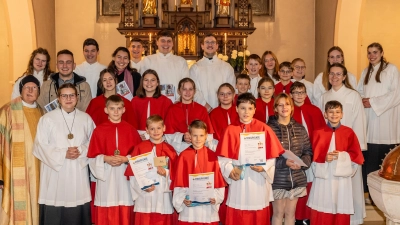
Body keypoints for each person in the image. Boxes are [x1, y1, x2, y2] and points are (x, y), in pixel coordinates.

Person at [216, 93, 284, 225]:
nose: (246, 112)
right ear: (236, 109)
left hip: (257, 178)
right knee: (238, 214)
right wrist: (230, 170)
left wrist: (263, 167)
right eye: (242, 108)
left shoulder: (264, 128)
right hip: (239, 179)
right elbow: (223, 157)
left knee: (257, 214)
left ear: (254, 109)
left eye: (249, 108)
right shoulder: (230, 130)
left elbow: (272, 157)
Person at [33, 83, 94, 225]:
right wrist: (62, 154)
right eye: (64, 95)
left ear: (77, 98)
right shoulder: (47, 119)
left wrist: (81, 150)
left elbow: (93, 143)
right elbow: (39, 145)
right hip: (55, 174)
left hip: (77, 172)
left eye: (71, 95)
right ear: (58, 98)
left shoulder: (86, 118)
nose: (68, 99)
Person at [320, 63, 367, 225]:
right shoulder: (324, 96)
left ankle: (352, 219)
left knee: (350, 185)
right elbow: (322, 124)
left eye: (338, 74)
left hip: (348, 148)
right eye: (332, 74)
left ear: (344, 77)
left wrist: (357, 150)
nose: (334, 77)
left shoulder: (353, 95)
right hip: (330, 148)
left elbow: (359, 121)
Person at [307, 101, 364, 225]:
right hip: (324, 178)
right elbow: (311, 157)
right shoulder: (318, 132)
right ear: (325, 114)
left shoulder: (349, 132)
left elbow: (356, 157)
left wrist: (342, 156)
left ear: (342, 114)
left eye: (337, 112)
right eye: (331, 112)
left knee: (340, 205)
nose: (334, 114)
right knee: (323, 205)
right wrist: (323, 158)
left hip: (341, 179)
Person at [87, 95, 141, 225]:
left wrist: (126, 158)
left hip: (124, 177)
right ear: (106, 110)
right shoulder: (99, 130)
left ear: (124, 110)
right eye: (112, 108)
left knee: (125, 207)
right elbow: (91, 158)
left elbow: (139, 157)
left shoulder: (131, 130)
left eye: (119, 108)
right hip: (107, 176)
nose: (116, 112)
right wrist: (105, 158)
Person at [357, 43, 400, 204]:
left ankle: (382, 198)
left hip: (385, 124)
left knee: (383, 164)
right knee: (369, 161)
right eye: (369, 53)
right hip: (369, 123)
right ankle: (370, 195)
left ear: (382, 53)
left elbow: (396, 94)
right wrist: (362, 100)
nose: (371, 55)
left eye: (375, 52)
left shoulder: (392, 69)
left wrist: (373, 102)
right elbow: (359, 90)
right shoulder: (366, 71)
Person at [0, 76, 43, 224]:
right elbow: (0, 143)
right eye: (27, 87)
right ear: (21, 90)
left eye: (34, 88)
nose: (30, 91)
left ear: (39, 91)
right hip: (15, 170)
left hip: (38, 169)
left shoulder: (42, 113)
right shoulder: (8, 110)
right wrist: (0, 174)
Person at [267, 93, 312, 225]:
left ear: (292, 108)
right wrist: (284, 162)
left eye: (287, 104)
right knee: (278, 213)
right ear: (275, 109)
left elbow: (307, 151)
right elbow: (266, 155)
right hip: (278, 178)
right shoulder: (269, 128)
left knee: (291, 214)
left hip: (296, 178)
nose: (284, 107)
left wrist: (302, 164)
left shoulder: (300, 128)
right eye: (280, 105)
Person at [125, 115, 178, 225]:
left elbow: (177, 174)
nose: (155, 131)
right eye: (152, 128)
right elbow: (132, 173)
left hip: (162, 196)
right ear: (146, 130)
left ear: (164, 128)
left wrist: (166, 173)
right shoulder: (140, 148)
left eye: (158, 128)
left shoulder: (170, 149)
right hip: (145, 195)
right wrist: (142, 187)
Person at [173, 120, 226, 225]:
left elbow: (218, 184)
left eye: (201, 135)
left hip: (207, 210)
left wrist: (215, 198)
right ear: (190, 135)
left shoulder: (212, 156)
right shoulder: (183, 156)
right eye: (195, 135)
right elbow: (178, 183)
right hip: (190, 210)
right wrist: (183, 199)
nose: (198, 139)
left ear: (206, 136)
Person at [289, 82, 325, 225]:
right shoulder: (288, 111)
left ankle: (308, 216)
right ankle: (297, 217)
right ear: (291, 95)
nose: (299, 95)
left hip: (312, 154)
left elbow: (321, 133)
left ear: (306, 94)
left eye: (302, 92)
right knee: (297, 186)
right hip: (294, 154)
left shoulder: (315, 110)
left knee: (310, 186)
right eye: (296, 92)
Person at [164, 78, 215, 154]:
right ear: (179, 91)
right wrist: (182, 137)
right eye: (184, 89)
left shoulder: (201, 109)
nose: (187, 92)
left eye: (190, 89)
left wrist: (197, 138)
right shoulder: (172, 109)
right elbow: (168, 135)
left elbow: (209, 135)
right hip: (178, 151)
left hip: (198, 150)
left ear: (194, 91)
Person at [140, 30, 189, 102]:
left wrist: (179, 101)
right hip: (154, 102)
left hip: (176, 102)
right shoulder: (148, 60)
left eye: (169, 41)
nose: (166, 44)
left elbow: (185, 84)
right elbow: (143, 83)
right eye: (162, 41)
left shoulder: (181, 61)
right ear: (157, 42)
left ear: (173, 43)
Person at [190, 33, 235, 111]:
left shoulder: (227, 67)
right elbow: (194, 90)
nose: (210, 44)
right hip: (202, 110)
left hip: (223, 110)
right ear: (202, 46)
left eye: (213, 42)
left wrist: (221, 108)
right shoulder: (195, 68)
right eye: (207, 42)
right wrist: (207, 107)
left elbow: (231, 89)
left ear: (217, 46)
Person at [131, 69, 173, 140]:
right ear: (142, 82)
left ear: (157, 83)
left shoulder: (166, 101)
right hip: (139, 139)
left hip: (159, 139)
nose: (149, 83)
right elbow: (131, 124)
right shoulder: (135, 101)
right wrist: (137, 135)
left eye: (153, 80)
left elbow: (169, 124)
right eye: (146, 80)